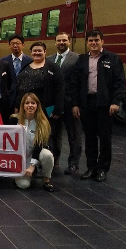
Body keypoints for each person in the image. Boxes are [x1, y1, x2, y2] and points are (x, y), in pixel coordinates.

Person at [70, 29, 126, 182]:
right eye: (90, 41)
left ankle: (102, 169)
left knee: (105, 137)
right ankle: (91, 167)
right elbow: (75, 84)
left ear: (103, 41)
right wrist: (75, 104)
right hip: (86, 103)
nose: (93, 43)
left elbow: (119, 82)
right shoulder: (81, 60)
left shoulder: (112, 59)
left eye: (96, 40)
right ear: (87, 43)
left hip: (105, 104)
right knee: (89, 137)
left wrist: (115, 102)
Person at [47, 32, 82, 174]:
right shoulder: (49, 59)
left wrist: (77, 103)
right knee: (53, 134)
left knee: (74, 134)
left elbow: (79, 82)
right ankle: (54, 160)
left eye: (64, 40)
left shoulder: (77, 59)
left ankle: (73, 164)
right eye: (59, 40)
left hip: (70, 103)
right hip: (53, 104)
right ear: (55, 42)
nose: (61, 42)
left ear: (69, 42)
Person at [14, 42, 64, 133]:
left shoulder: (53, 67)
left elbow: (60, 88)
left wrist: (58, 109)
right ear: (31, 52)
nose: (37, 53)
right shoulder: (26, 66)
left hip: (44, 109)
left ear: (45, 52)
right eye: (34, 51)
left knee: (45, 134)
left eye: (39, 51)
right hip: (27, 109)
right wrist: (17, 105)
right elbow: (20, 88)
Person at [12, 93, 56, 192]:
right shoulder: (14, 119)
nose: (30, 105)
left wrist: (32, 165)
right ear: (23, 105)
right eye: (27, 103)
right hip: (20, 158)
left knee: (48, 155)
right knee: (24, 185)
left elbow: (39, 145)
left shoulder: (43, 122)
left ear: (37, 105)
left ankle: (46, 180)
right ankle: (19, 175)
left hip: (36, 154)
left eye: (33, 103)